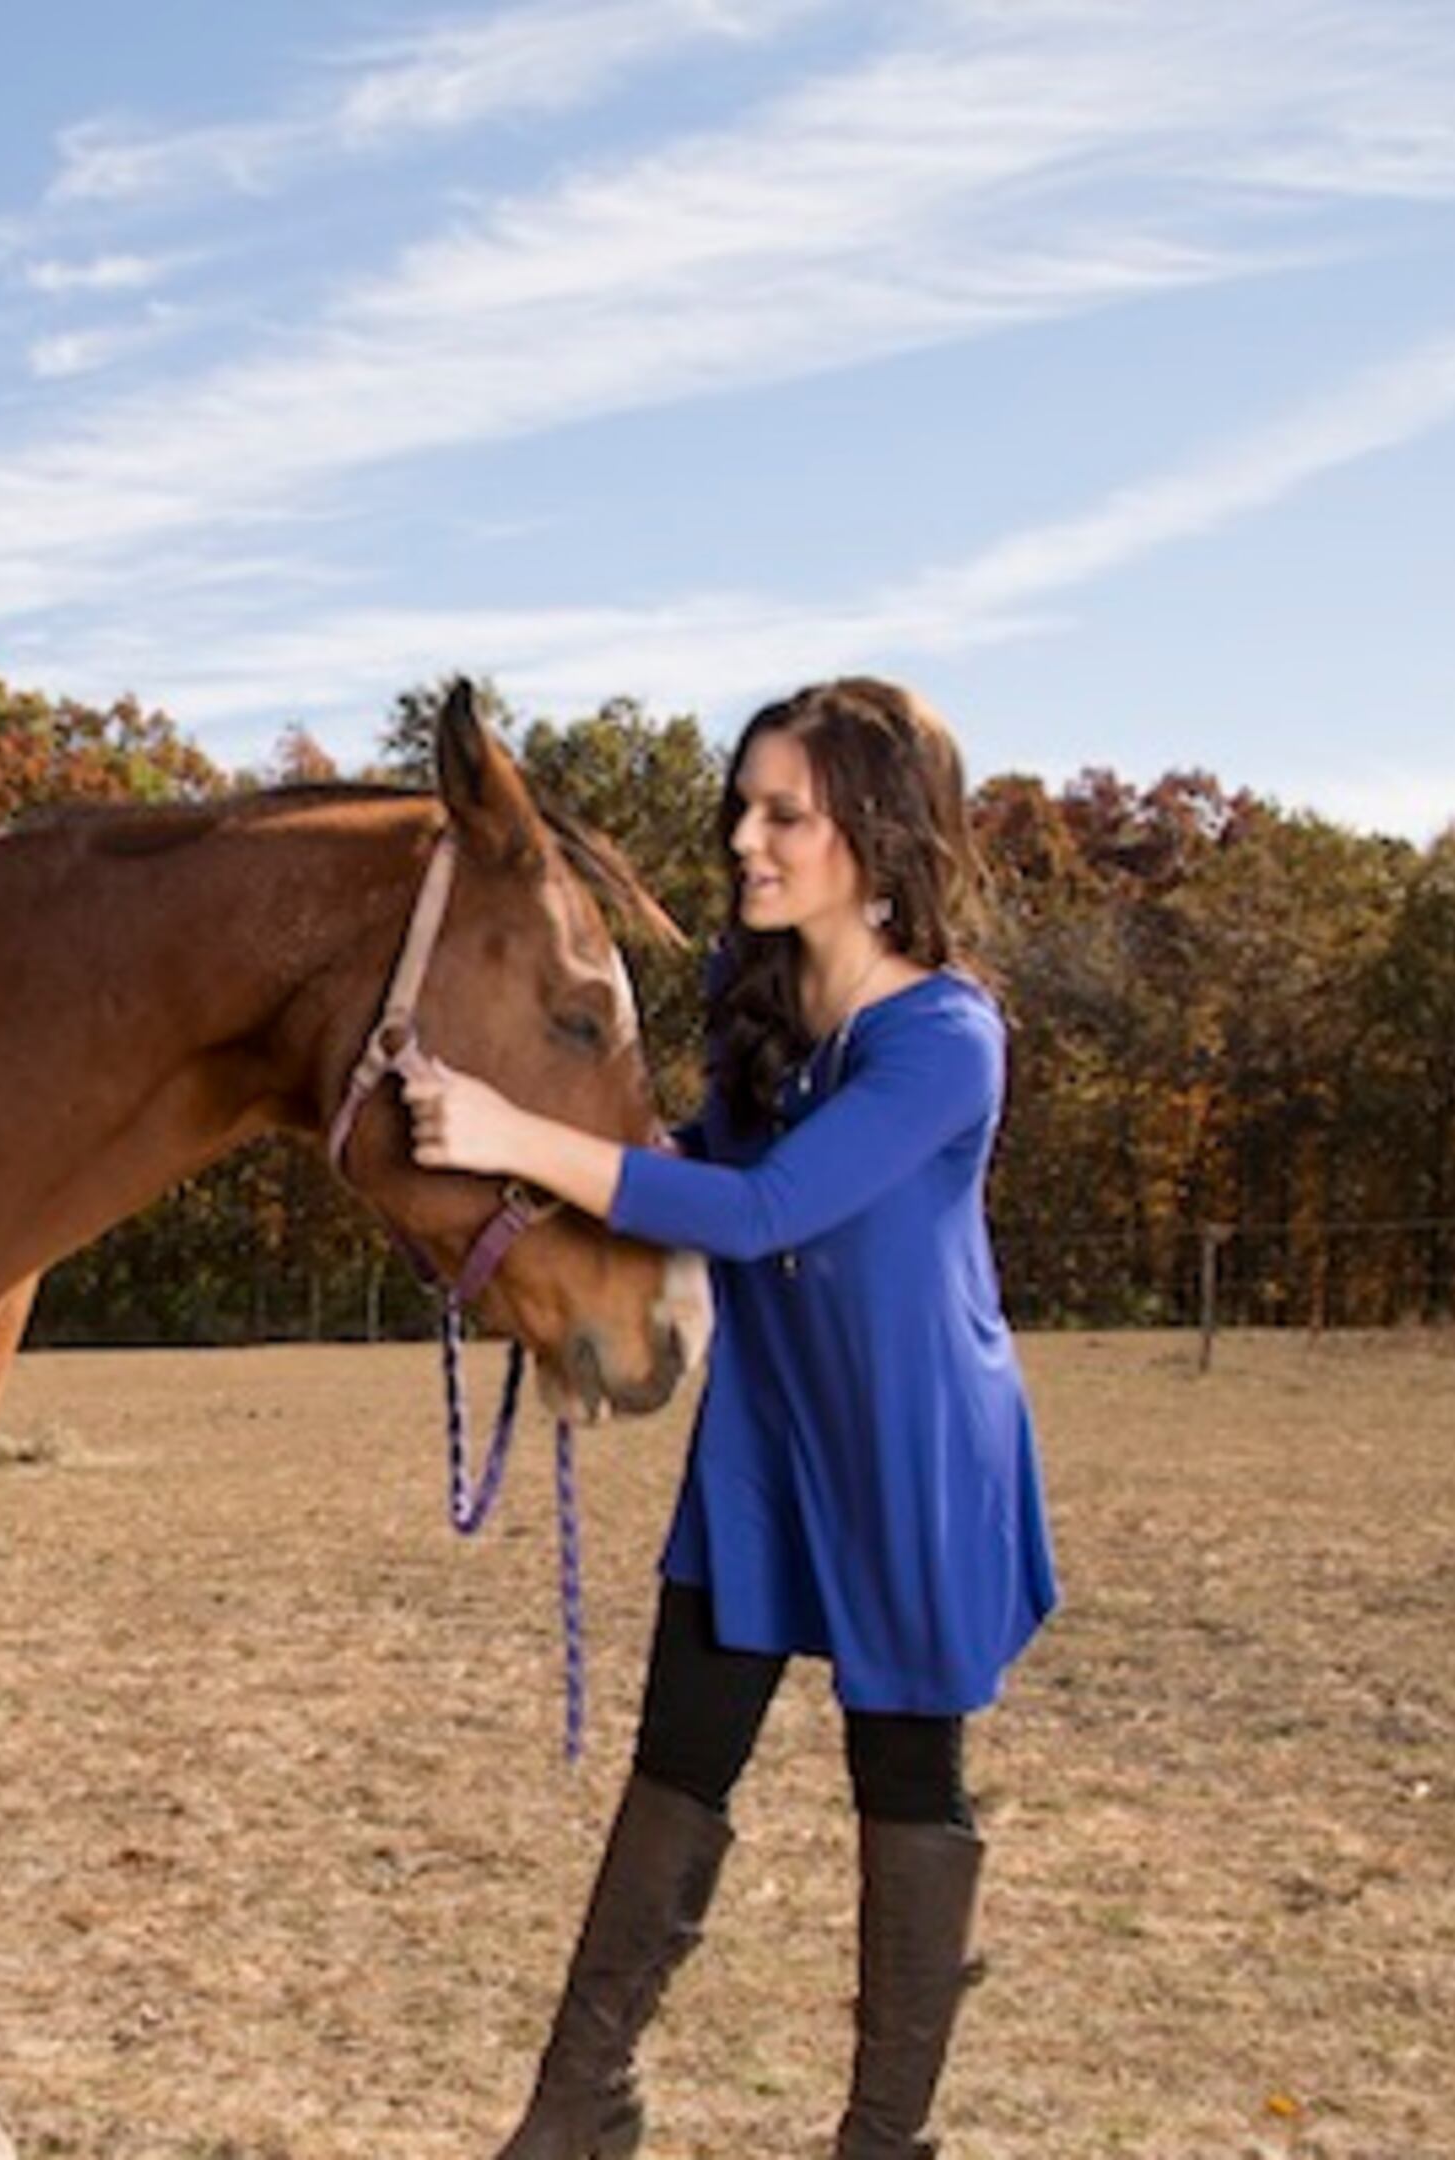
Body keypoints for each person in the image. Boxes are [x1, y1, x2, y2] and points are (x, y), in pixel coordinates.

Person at [401, 676, 1057, 2160]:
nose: (748, 842)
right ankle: (580, 2110)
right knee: (679, 1756)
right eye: (743, 810)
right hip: (769, 1438)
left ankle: (882, 2144)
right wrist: (487, 1125)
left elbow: (767, 1208)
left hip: (912, 1449)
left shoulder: (948, 1039)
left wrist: (526, 1140)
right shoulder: (747, 994)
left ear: (877, 837)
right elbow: (697, 1158)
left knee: (905, 1779)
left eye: (785, 815)